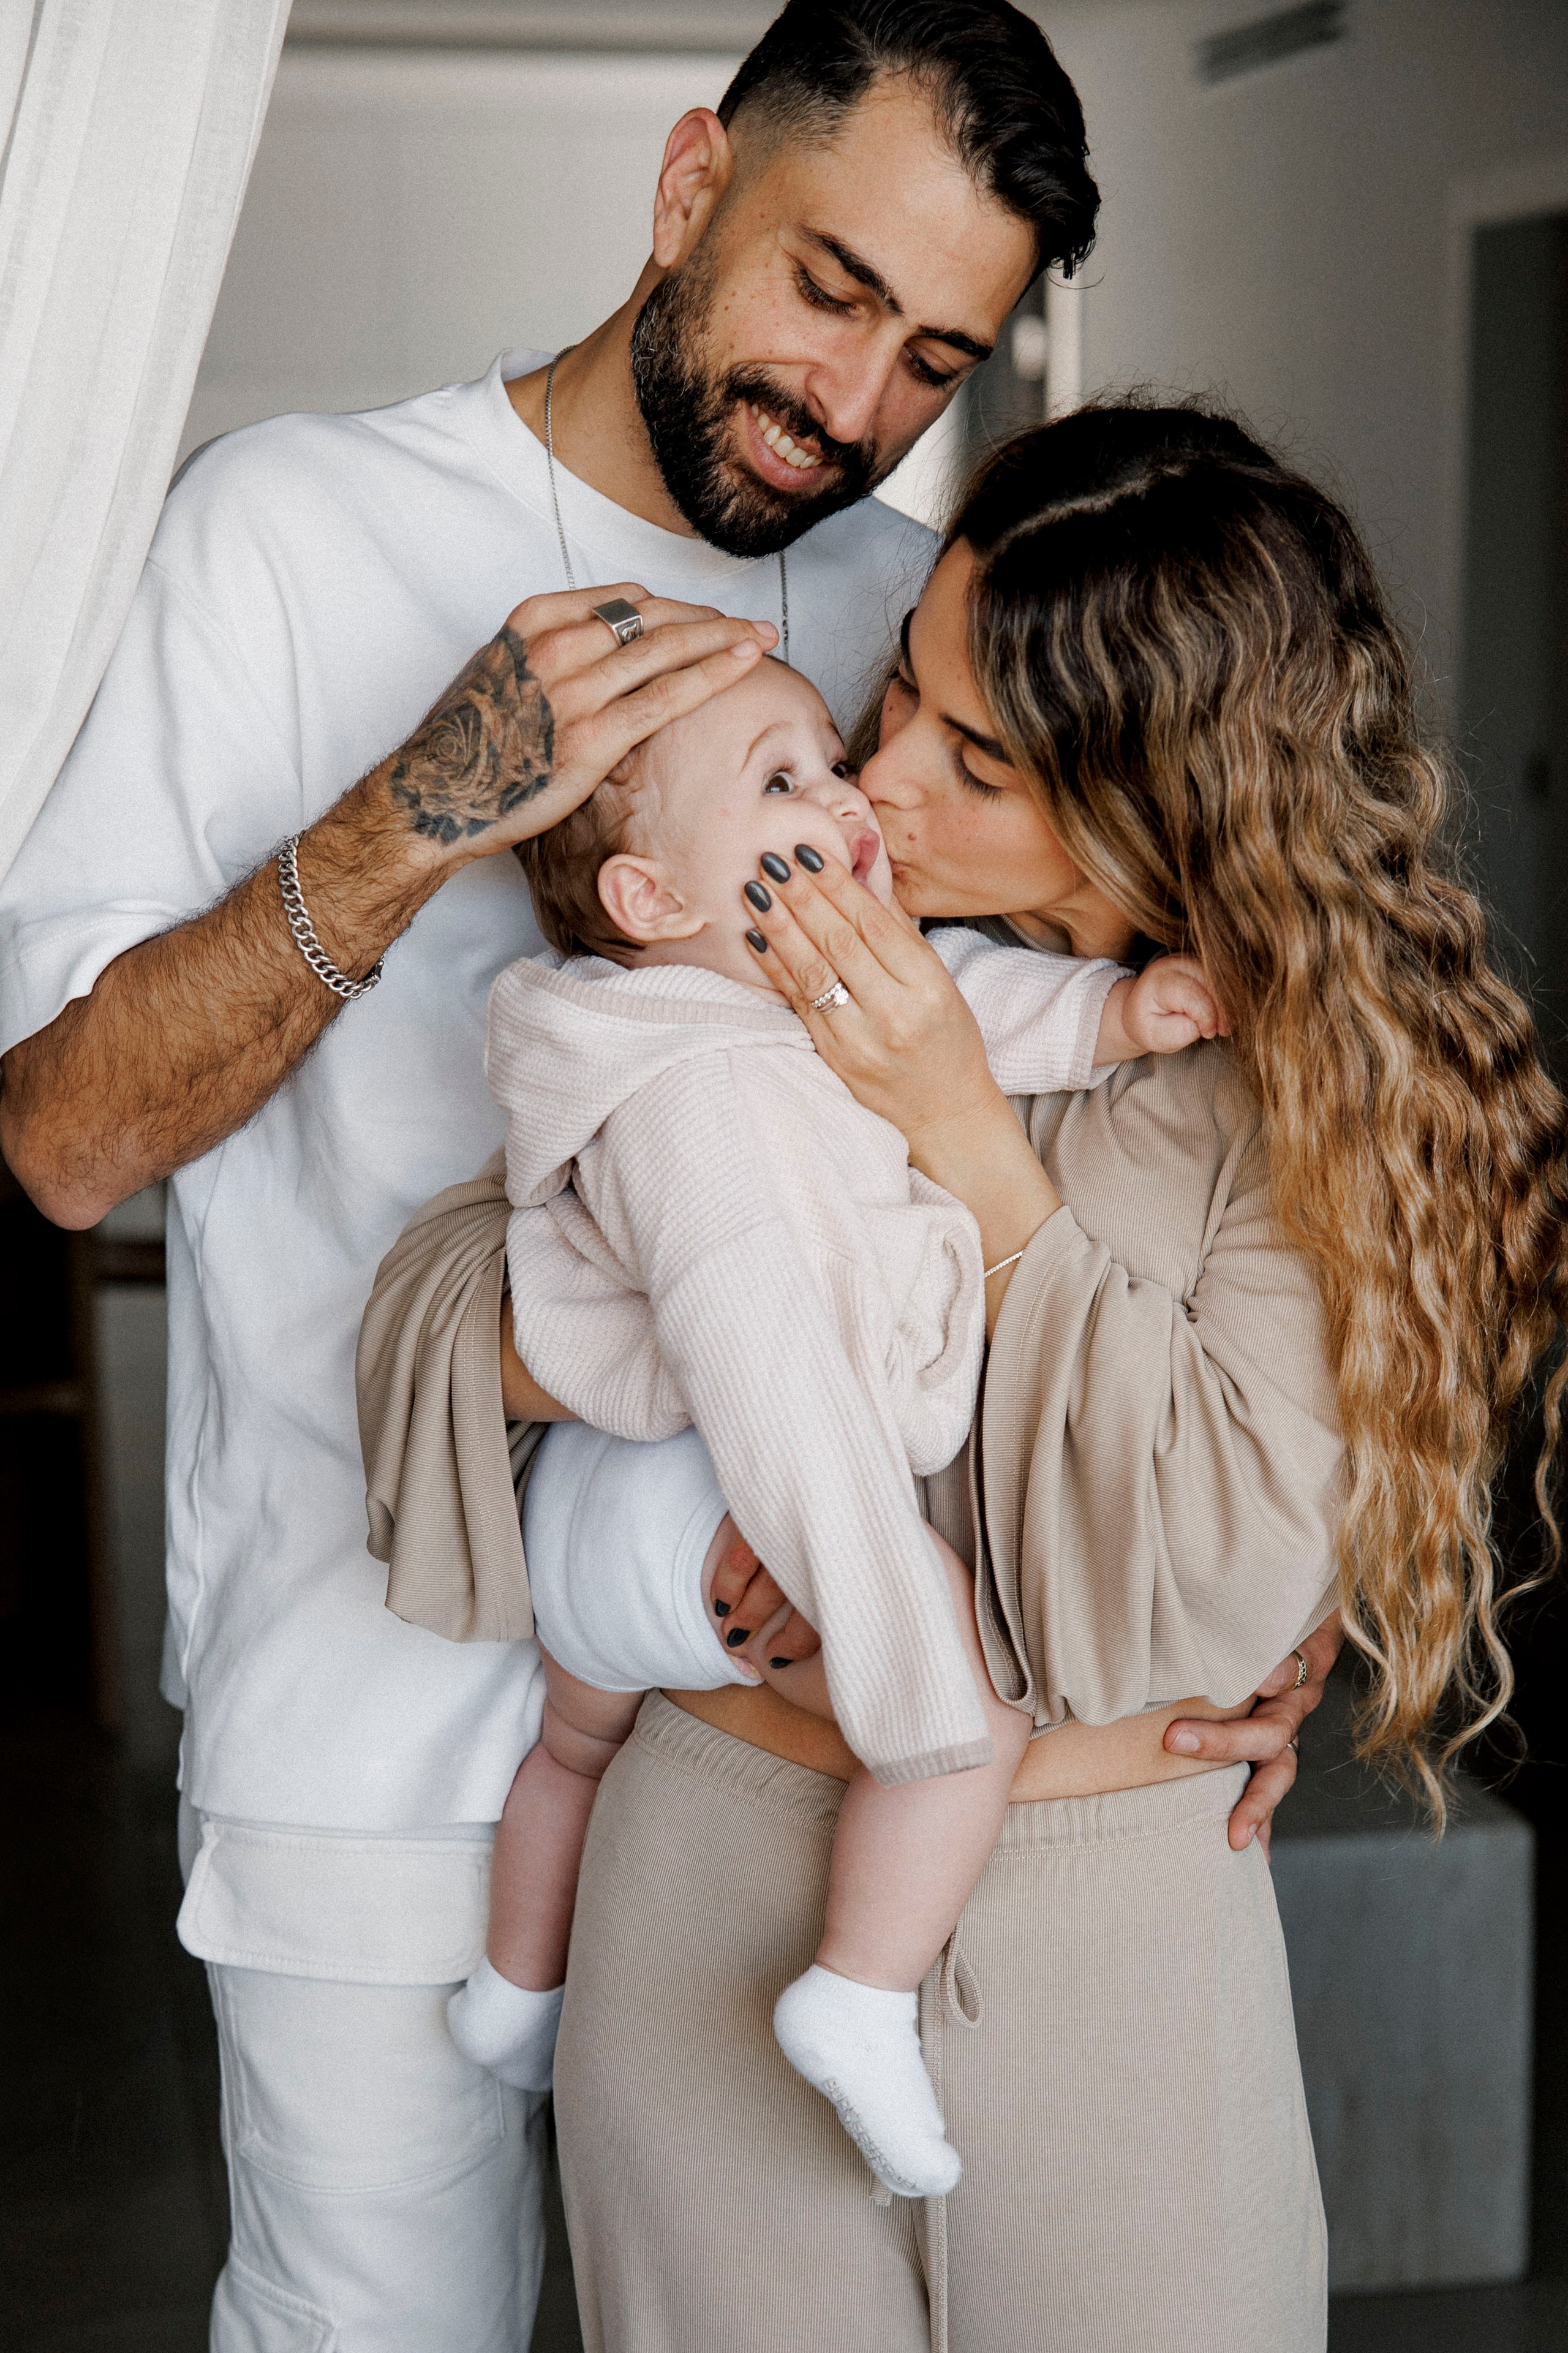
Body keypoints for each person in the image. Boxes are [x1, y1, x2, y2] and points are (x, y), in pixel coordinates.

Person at [0, 6, 1111, 2344]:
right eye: (829, 288)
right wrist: (416, 811)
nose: (853, 407)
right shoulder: (289, 533)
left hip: (784, 1759)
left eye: (936, 355)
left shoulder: (921, 635)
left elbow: (1049, 1097)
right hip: (372, 1734)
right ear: (691, 180)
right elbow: (60, 1140)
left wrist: (1232, 1561)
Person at [361, 401, 1564, 2352]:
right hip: (715, 1888)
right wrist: (698, 1463)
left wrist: (963, 1134)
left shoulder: (1300, 1095)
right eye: (898, 691)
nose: (878, 776)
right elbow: (430, 1314)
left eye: (974, 759)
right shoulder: (759, 944)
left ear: (1159, 805)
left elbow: (1210, 1576)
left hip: (1116, 1940)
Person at [418, 654, 1227, 2198]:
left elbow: (958, 1007)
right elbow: (773, 1384)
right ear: (655, 901)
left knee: (567, 1757)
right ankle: (856, 1991)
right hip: (706, 1508)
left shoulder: (762, 983)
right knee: (964, 1715)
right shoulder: (697, 1101)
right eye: (783, 784)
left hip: (609, 1522)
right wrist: (893, 1650)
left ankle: (514, 1995)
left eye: (821, 758)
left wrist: (1122, 1012)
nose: (849, 794)